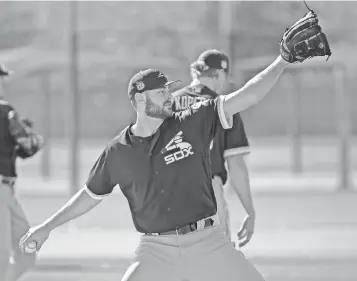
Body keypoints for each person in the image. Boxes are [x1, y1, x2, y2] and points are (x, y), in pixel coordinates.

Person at [19, 53, 288, 281]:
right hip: (155, 250)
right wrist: (46, 227)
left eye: (168, 90)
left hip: (208, 241)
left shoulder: (191, 121)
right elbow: (90, 196)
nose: (169, 96)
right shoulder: (118, 151)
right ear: (138, 99)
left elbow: (246, 96)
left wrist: (282, 60)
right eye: (160, 92)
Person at [172, 49, 254, 246]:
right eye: (225, 76)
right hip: (208, 192)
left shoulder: (168, 103)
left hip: (170, 193)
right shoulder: (223, 106)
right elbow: (236, 165)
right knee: (215, 264)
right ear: (219, 73)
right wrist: (250, 211)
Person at [0, 64, 44, 281]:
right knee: (5, 255)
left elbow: (19, 148)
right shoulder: (6, 111)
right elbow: (29, 145)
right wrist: (31, 137)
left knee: (26, 250)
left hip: (6, 190)